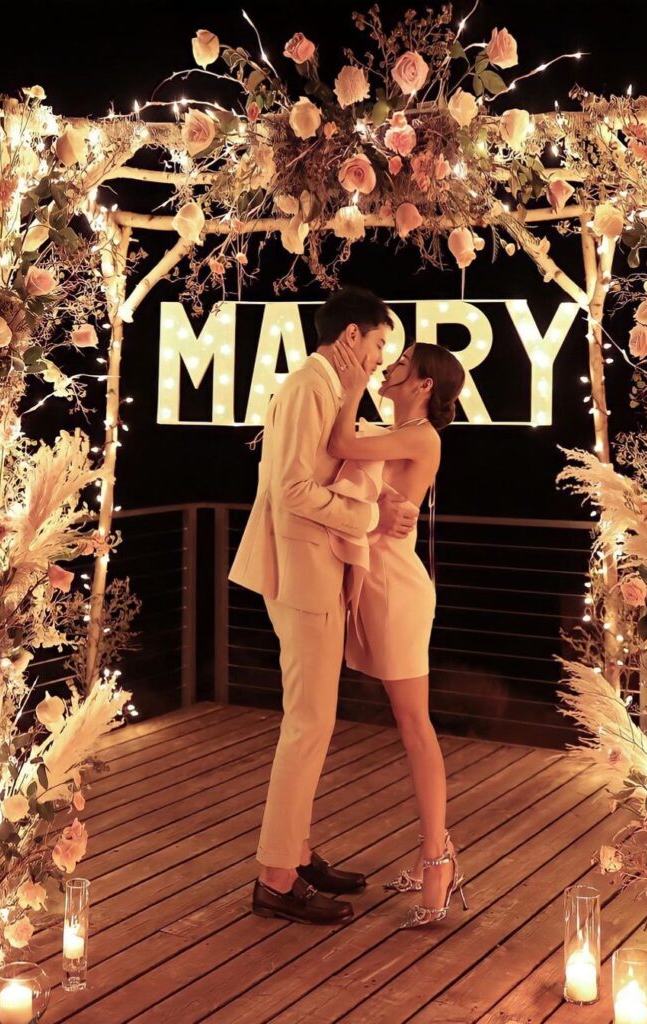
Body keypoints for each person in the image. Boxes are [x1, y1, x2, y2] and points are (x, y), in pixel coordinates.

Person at [229, 287, 419, 925]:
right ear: (350, 335)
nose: (381, 357)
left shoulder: (326, 386)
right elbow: (291, 489)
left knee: (312, 719)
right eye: (378, 343)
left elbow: (322, 472)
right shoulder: (312, 386)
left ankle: (296, 852)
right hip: (303, 572)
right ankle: (276, 879)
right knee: (308, 722)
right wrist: (369, 517)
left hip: (313, 567)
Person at [326, 338, 467, 928]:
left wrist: (352, 378)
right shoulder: (400, 434)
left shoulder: (422, 436)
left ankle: (438, 860)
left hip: (395, 588)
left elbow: (340, 444)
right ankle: (433, 850)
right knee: (410, 726)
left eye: (401, 363)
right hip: (376, 578)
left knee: (415, 727)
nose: (389, 365)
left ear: (425, 385)